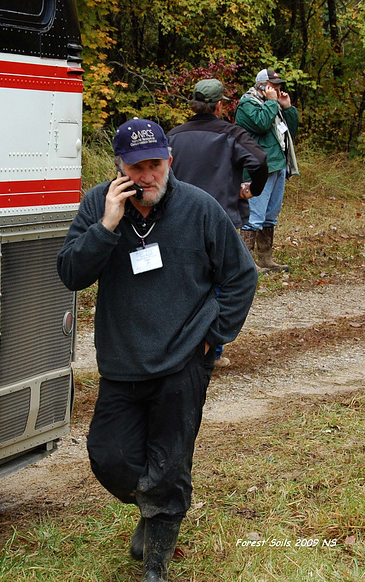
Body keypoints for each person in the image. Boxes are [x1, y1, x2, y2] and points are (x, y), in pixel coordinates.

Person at [56, 118, 257, 582]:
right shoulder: (98, 206)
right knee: (109, 457)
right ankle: (154, 508)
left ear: (170, 161)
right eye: (136, 166)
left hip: (184, 360)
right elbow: (70, 273)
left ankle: (156, 565)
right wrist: (106, 226)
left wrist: (214, 336)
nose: (147, 176)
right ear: (119, 167)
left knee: (170, 460)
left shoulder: (200, 208)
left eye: (155, 164)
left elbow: (241, 276)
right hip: (123, 361)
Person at [168, 78, 268, 368]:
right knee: (222, 282)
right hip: (221, 220)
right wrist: (253, 189)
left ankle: (179, 345)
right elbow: (260, 161)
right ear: (220, 105)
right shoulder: (233, 135)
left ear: (194, 104)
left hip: (178, 219)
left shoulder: (173, 136)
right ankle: (212, 350)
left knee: (182, 280)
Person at [235, 69, 300, 271]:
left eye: (279, 86)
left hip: (277, 164)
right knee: (254, 215)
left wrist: (287, 108)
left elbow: (292, 131)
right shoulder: (247, 104)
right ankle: (246, 264)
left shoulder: (273, 105)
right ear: (262, 85)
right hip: (258, 167)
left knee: (271, 215)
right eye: (274, 86)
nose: (278, 90)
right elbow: (261, 124)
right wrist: (273, 102)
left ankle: (265, 259)